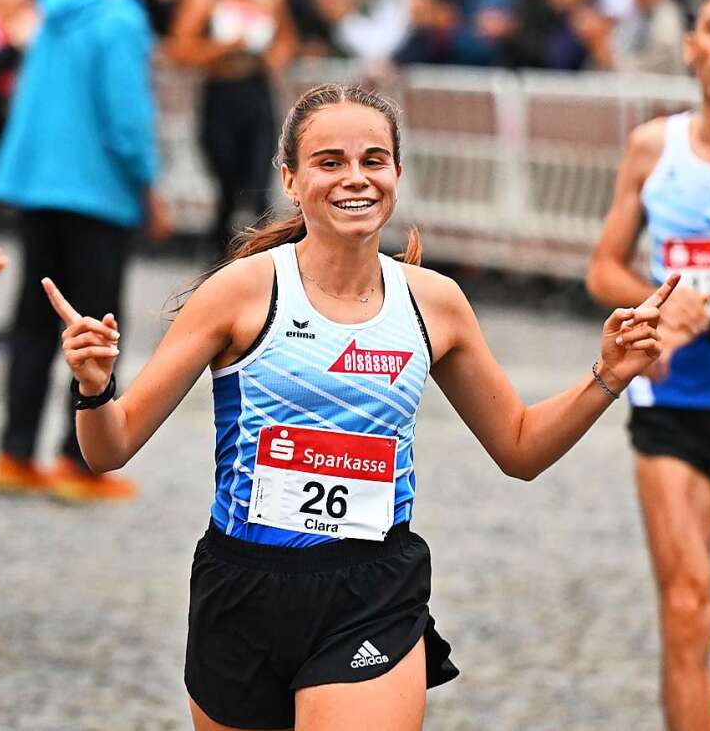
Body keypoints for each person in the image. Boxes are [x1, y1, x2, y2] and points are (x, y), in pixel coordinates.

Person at [44, 82, 678, 730]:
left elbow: (519, 447)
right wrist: (95, 384)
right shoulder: (241, 292)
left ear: (397, 173)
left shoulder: (434, 302)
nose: (355, 178)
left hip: (371, 591)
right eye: (330, 161)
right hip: (244, 587)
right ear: (291, 178)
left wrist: (610, 374)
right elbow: (109, 448)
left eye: (373, 160)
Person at [586, 0, 710, 731]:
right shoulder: (652, 146)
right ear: (692, 46)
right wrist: (657, 309)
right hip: (672, 405)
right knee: (684, 607)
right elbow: (603, 266)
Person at [0, 0, 168, 501]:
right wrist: (148, 184)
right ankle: (78, 461)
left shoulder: (53, 10)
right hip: (96, 190)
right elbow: (126, 116)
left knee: (33, 323)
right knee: (96, 329)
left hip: (38, 184)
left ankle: (14, 454)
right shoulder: (120, 17)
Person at [166, 0, 296, 256]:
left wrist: (273, 57)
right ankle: (222, 256)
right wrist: (224, 47)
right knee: (226, 182)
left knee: (259, 180)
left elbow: (287, 40)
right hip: (221, 93)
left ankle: (263, 256)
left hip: (256, 91)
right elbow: (180, 49)